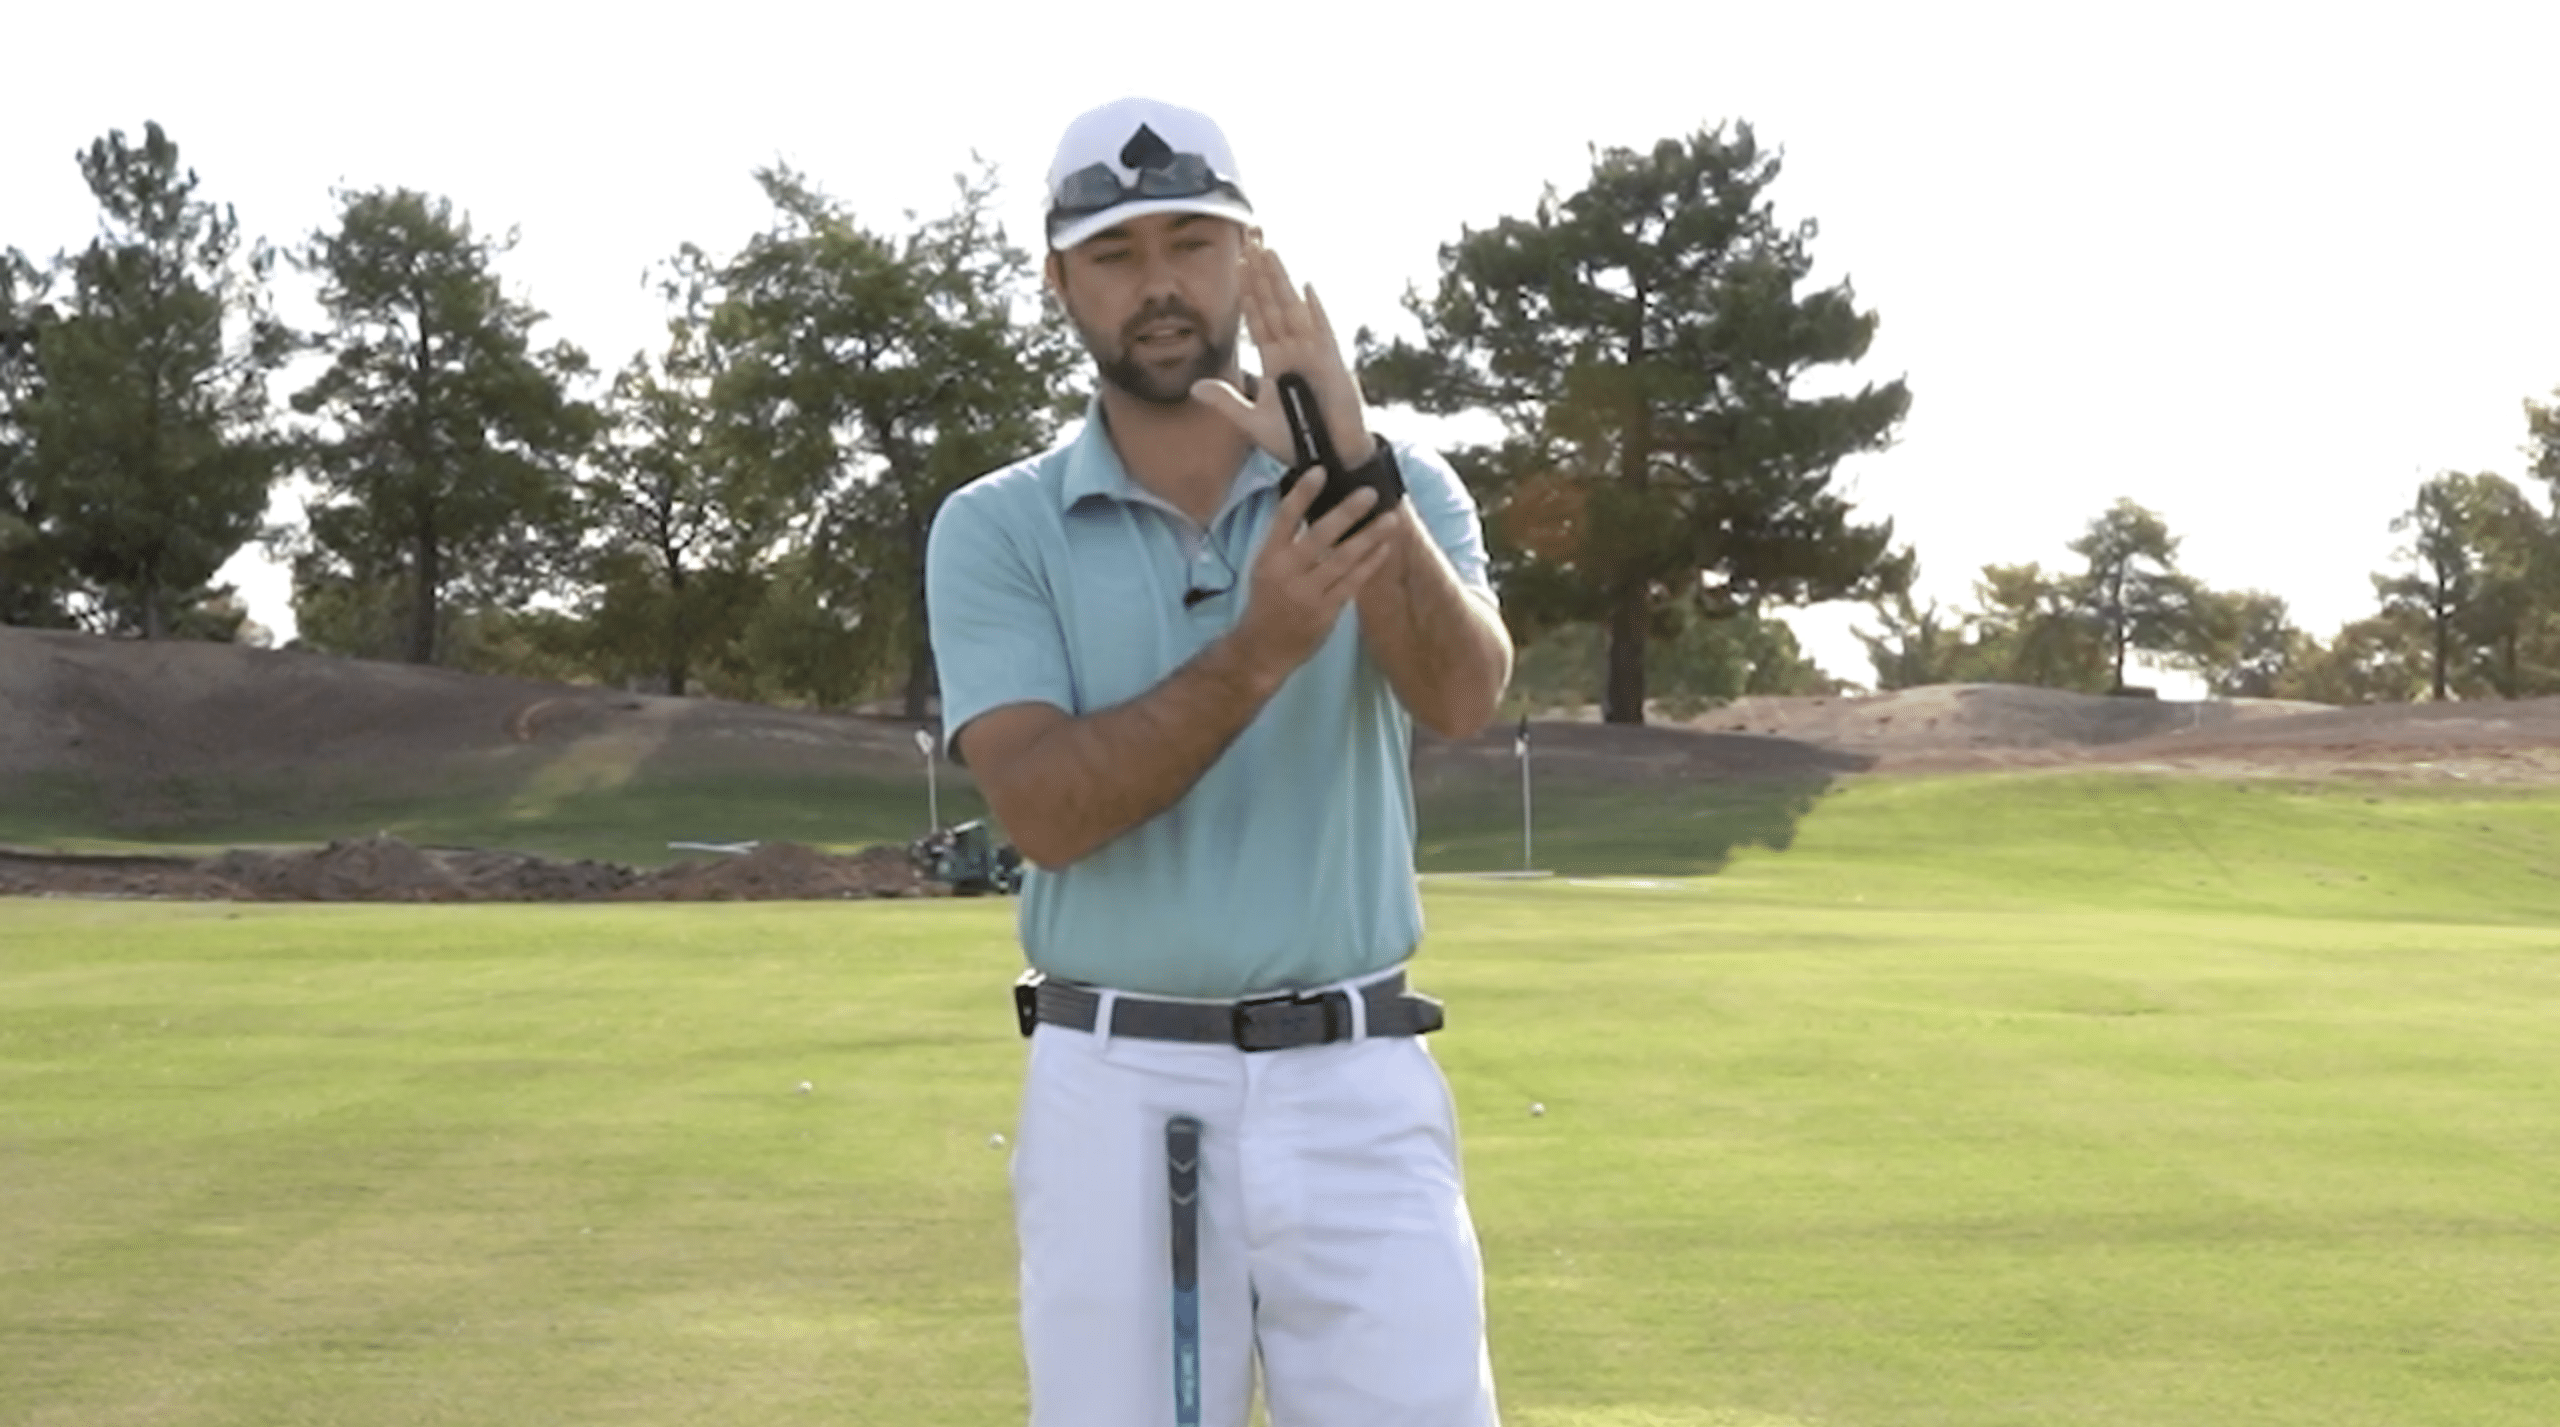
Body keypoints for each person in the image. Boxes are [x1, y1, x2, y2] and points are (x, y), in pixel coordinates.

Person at [924, 95, 1514, 1427]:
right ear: (1058, 279)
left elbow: (1464, 695)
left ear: (1252, 258)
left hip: (1359, 1073)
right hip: (1116, 1083)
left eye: (1193, 243)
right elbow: (1048, 810)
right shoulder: (996, 527)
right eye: (1117, 255)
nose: (1160, 286)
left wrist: (1348, 470)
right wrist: (1262, 645)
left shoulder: (1393, 472)